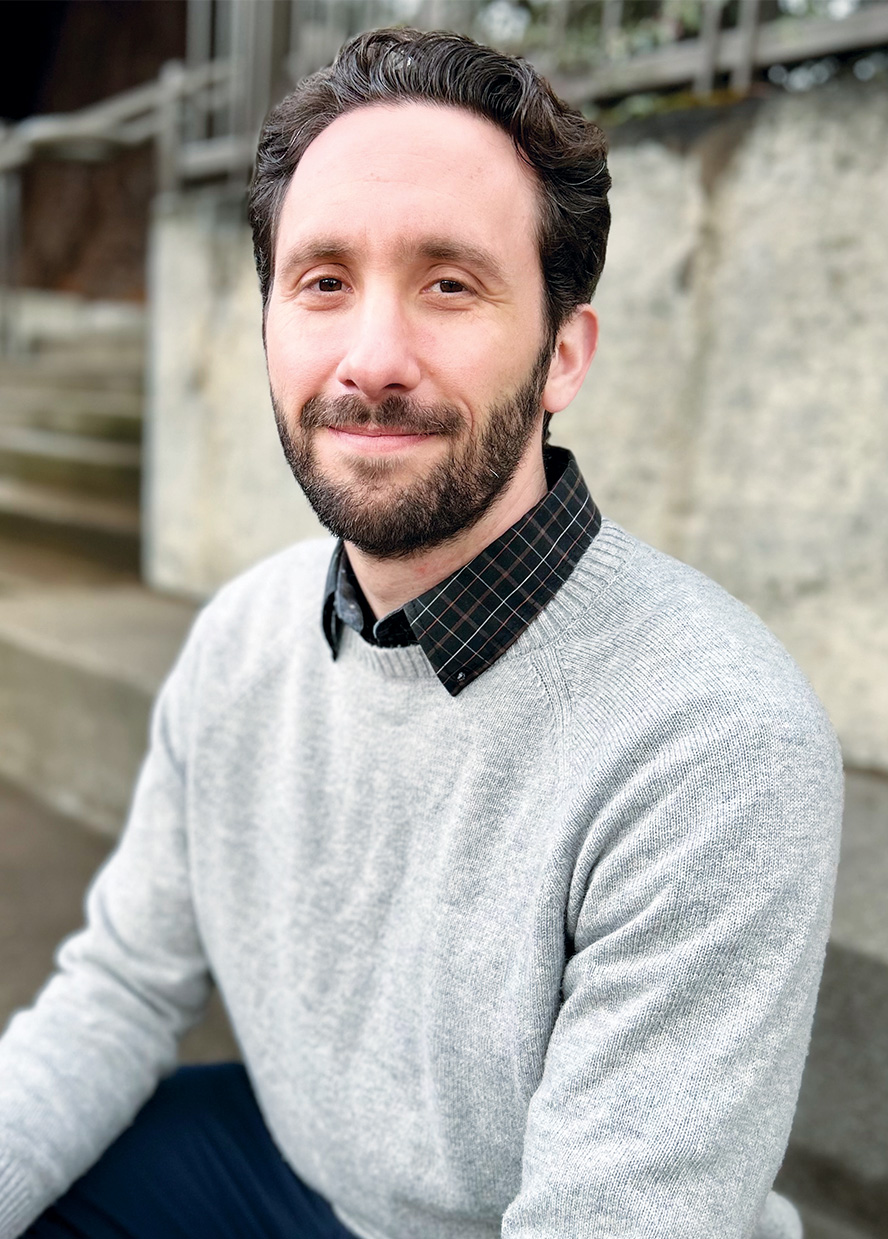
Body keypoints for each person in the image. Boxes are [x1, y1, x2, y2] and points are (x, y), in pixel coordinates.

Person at [0, 27, 841, 1239]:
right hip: (292, 1178)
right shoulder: (241, 638)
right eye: (324, 282)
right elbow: (122, 989)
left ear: (562, 354)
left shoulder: (715, 740)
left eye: (450, 283)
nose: (372, 360)